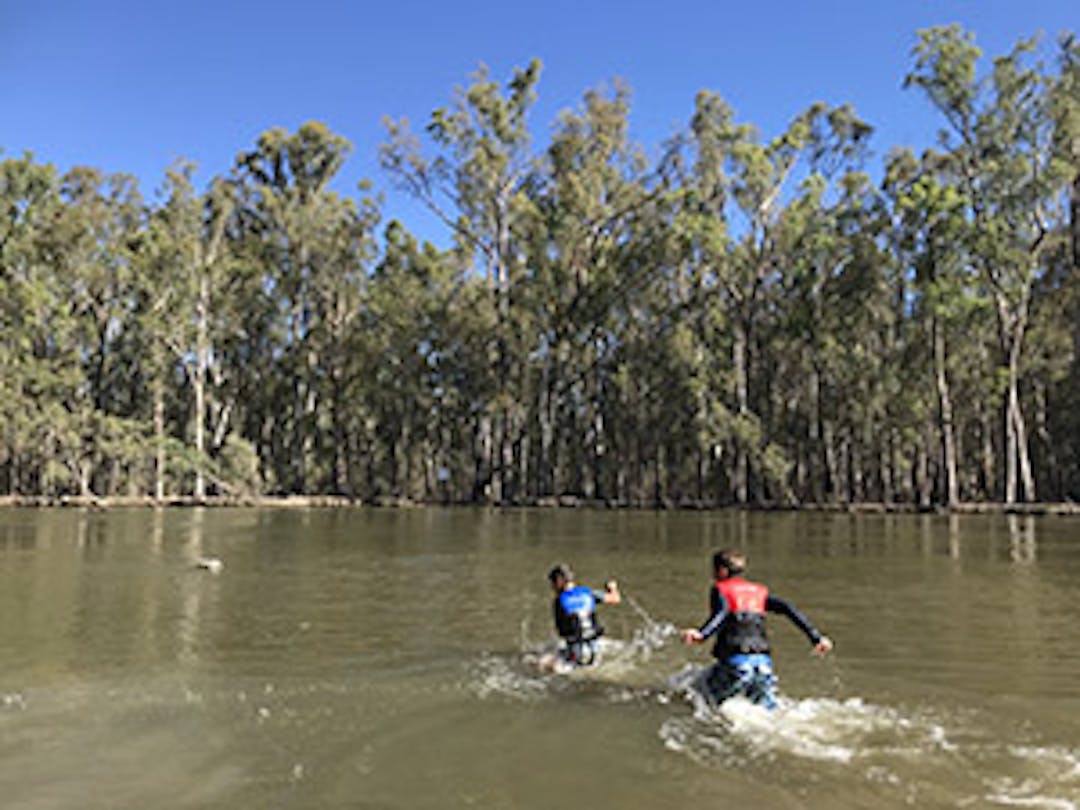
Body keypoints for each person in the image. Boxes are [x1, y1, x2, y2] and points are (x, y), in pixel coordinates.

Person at [681, 549, 832, 710]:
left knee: (702, 701)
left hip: (735, 664)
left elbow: (721, 614)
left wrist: (701, 634)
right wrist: (816, 637)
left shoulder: (721, 589)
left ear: (722, 571)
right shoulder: (759, 592)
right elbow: (788, 609)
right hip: (763, 664)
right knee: (767, 714)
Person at [546, 563, 621, 667]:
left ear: (559, 582)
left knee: (543, 662)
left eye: (553, 584)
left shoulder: (560, 601)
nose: (552, 588)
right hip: (595, 646)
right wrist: (612, 588)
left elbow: (561, 631)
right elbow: (615, 598)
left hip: (576, 651)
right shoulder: (588, 593)